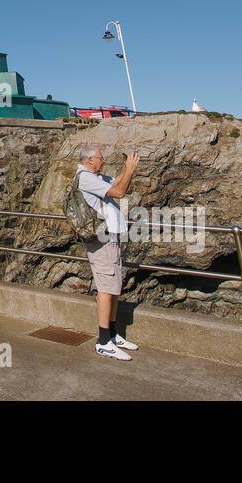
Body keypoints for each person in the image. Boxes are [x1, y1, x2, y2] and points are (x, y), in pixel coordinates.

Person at [76, 144, 141, 361]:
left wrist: (126, 168)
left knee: (113, 288)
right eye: (100, 159)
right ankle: (103, 342)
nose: (103, 161)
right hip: (101, 242)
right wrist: (130, 170)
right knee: (106, 289)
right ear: (89, 160)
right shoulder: (86, 178)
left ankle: (113, 334)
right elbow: (120, 192)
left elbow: (117, 183)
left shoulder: (97, 177)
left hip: (110, 240)